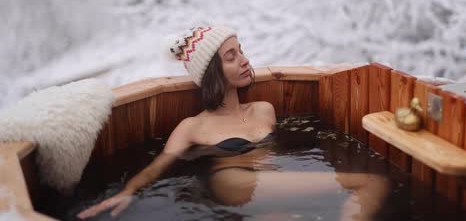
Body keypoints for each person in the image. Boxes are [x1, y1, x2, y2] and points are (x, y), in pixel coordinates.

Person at [77, 26, 390, 220]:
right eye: (230, 56)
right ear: (212, 72)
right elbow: (159, 166)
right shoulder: (192, 127)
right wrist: (129, 190)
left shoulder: (264, 110)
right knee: (372, 182)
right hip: (234, 182)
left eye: (241, 51)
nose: (243, 59)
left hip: (269, 186)